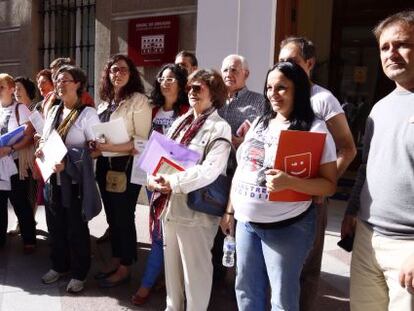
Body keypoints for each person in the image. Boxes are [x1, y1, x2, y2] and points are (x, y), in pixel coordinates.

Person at [221, 61, 337, 310]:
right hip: (246, 224)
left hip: (287, 227)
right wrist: (231, 210)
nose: (273, 93)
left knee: (282, 300)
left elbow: (329, 185)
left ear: (299, 90)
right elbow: (242, 170)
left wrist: (290, 182)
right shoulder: (260, 122)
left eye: (282, 88)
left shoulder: (315, 129)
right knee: (246, 292)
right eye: (269, 87)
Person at [341, 10, 414, 311]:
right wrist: (352, 209)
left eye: (401, 44)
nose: (391, 53)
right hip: (368, 239)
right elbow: (368, 166)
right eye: (384, 47)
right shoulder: (379, 109)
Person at [278, 36, 357, 311]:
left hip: (312, 200)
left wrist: (321, 187)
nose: (285, 67)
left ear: (309, 63)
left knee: (306, 269)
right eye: (281, 61)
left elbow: (348, 149)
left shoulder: (323, 100)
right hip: (279, 197)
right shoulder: (279, 95)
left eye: (292, 61)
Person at [147, 69, 231, 310]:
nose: (192, 92)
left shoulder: (219, 127)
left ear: (213, 93)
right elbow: (159, 156)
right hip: (169, 208)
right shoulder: (180, 122)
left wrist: (171, 182)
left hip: (196, 213)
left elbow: (210, 170)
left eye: (199, 88)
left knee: (196, 277)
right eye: (190, 88)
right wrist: (153, 179)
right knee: (172, 276)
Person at [36, 65, 100, 293]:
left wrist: (68, 162)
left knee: (76, 229)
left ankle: (79, 273)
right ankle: (59, 266)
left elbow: (96, 149)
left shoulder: (88, 114)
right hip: (53, 180)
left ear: (78, 84)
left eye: (65, 80)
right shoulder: (53, 111)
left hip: (74, 184)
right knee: (55, 227)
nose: (60, 84)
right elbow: (45, 139)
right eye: (57, 80)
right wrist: (41, 149)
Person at [132, 63, 189, 306]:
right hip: (152, 177)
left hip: (175, 179)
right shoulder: (153, 110)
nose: (165, 83)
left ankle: (148, 283)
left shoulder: (187, 111)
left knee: (168, 233)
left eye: (171, 79)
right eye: (162, 78)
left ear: (181, 83)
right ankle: (160, 279)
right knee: (157, 230)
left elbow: (188, 149)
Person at [94, 54, 151, 288]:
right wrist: (96, 144)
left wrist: (108, 147)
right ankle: (116, 258)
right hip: (104, 164)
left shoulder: (138, 100)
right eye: (113, 70)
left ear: (132, 74)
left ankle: (126, 266)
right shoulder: (105, 103)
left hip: (125, 166)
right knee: (111, 217)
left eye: (123, 70)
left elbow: (141, 140)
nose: (118, 74)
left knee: (124, 217)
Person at [0, 73, 36, 252]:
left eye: (1, 87)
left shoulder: (20, 109)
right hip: (0, 165)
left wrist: (10, 149)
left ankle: (29, 239)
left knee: (20, 201)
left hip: (15, 163)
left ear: (11, 89)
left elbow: (30, 136)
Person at [219, 54, 266, 148]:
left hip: (240, 159)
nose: (228, 74)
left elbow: (266, 135)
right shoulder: (212, 100)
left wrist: (244, 141)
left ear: (246, 74)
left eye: (233, 70)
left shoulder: (260, 101)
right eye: (225, 70)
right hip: (212, 159)